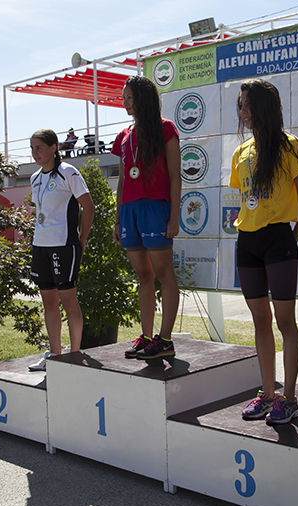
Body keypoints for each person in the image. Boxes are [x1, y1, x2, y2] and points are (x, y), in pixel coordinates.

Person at [229, 79, 298, 425]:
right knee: (260, 321)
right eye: (240, 106)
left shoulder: (292, 147)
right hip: (246, 242)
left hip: (279, 239)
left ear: (264, 107)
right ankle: (267, 393)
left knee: (285, 322)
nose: (243, 112)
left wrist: (290, 237)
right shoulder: (241, 152)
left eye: (248, 105)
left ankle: (289, 398)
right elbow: (244, 201)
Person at [111, 75, 181, 361]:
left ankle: (165, 339)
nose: (125, 103)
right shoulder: (123, 135)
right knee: (143, 275)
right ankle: (147, 335)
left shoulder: (166, 129)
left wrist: (174, 216)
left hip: (156, 207)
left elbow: (176, 176)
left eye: (129, 97)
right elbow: (121, 181)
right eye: (124, 97)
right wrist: (117, 218)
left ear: (143, 98)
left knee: (164, 273)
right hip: (130, 209)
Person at [27, 128, 95, 371]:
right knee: (48, 303)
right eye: (32, 148)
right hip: (40, 246)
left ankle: (74, 356)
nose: (35, 152)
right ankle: (55, 356)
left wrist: (82, 239)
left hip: (64, 245)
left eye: (40, 147)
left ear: (54, 147)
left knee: (69, 301)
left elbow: (88, 206)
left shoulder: (68, 172)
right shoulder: (35, 178)